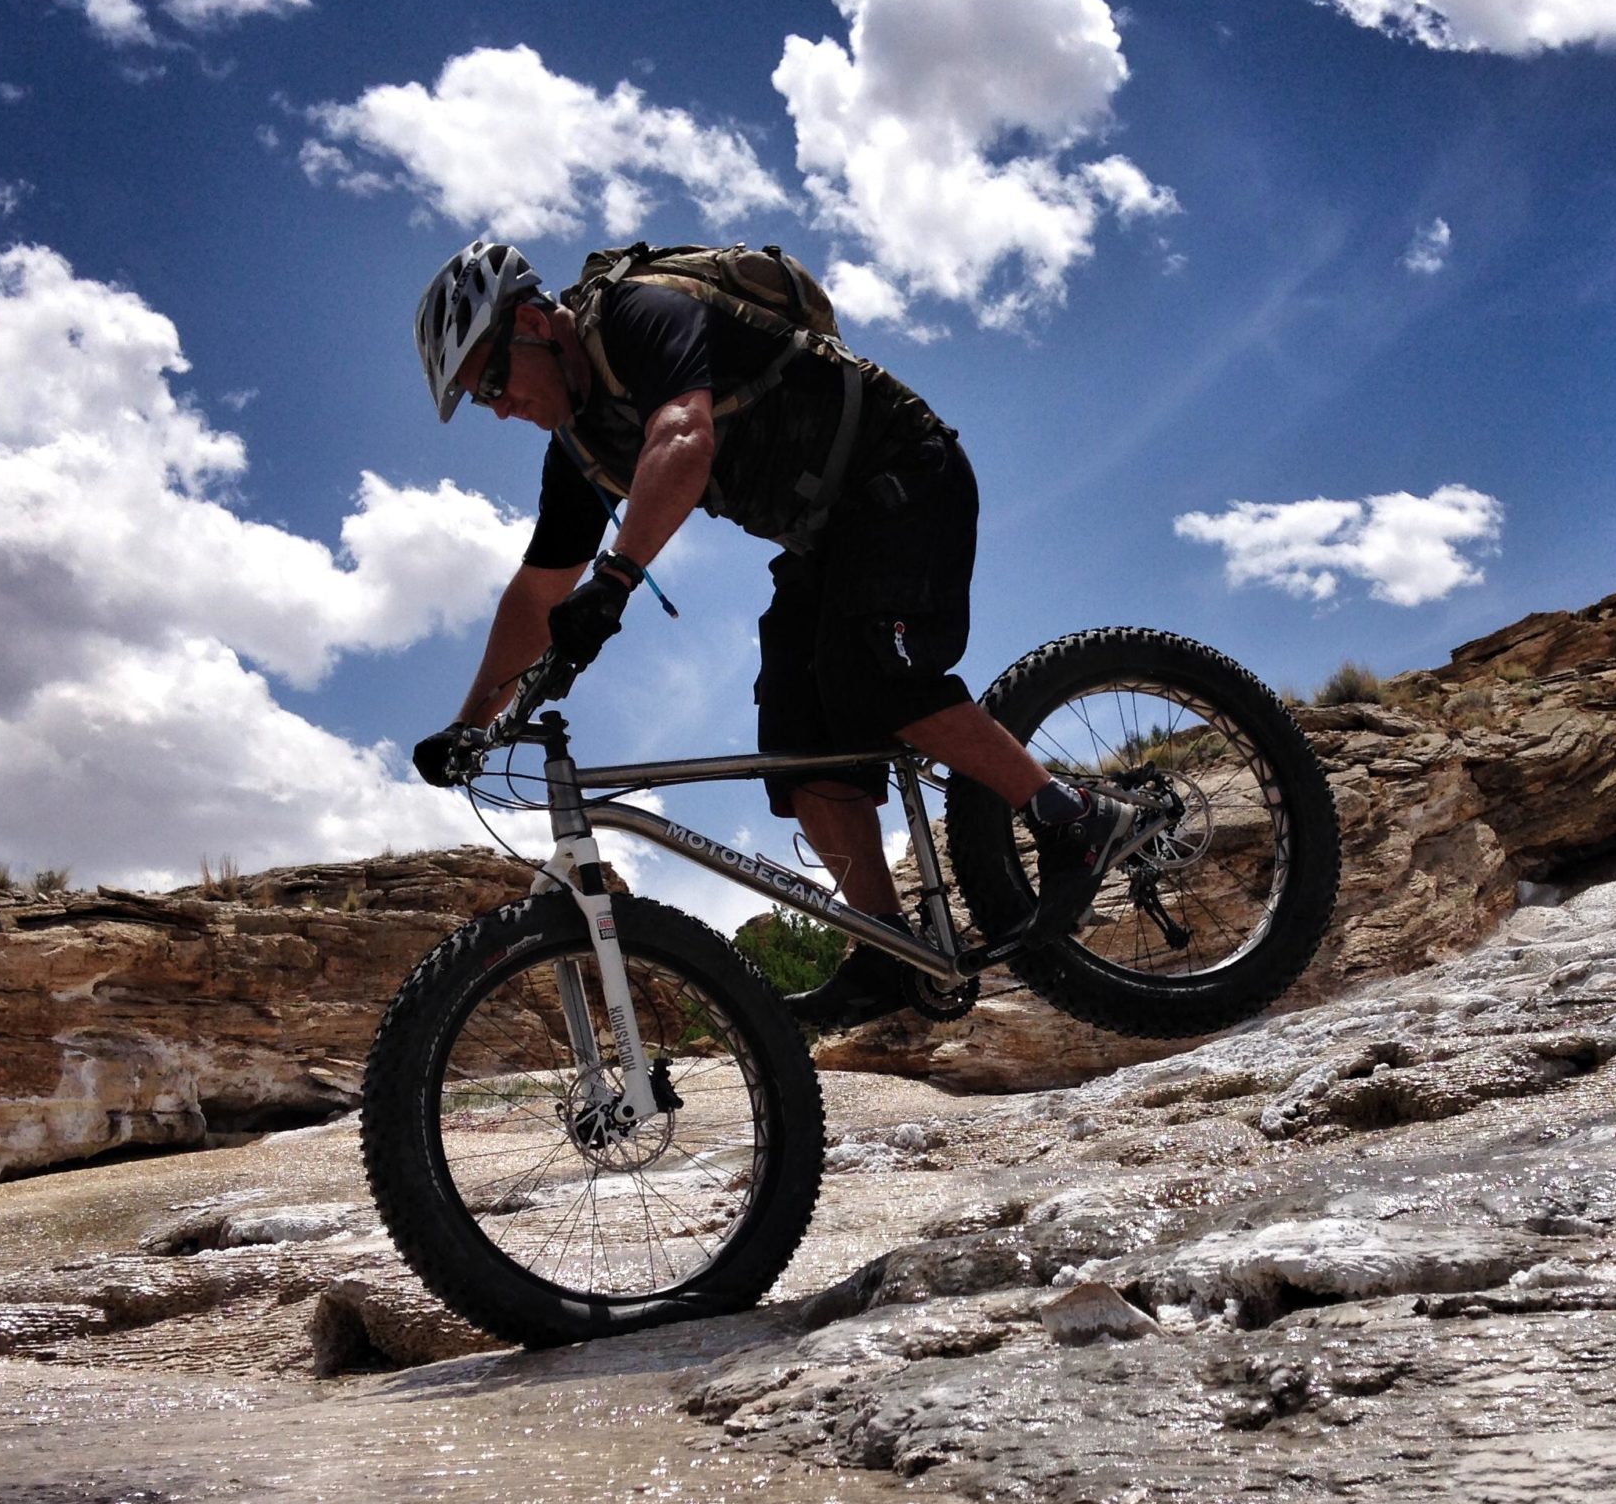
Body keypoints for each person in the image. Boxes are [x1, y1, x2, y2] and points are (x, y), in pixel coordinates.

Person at [408, 241, 1148, 1031]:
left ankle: (1074, 815)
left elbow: (683, 436)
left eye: (490, 379)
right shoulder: (580, 451)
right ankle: (889, 952)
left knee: (864, 676)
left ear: (531, 322)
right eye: (476, 400)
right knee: (792, 732)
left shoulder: (638, 314)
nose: (496, 407)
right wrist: (467, 727)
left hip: (905, 472)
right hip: (824, 537)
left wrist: (617, 580)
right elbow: (536, 592)